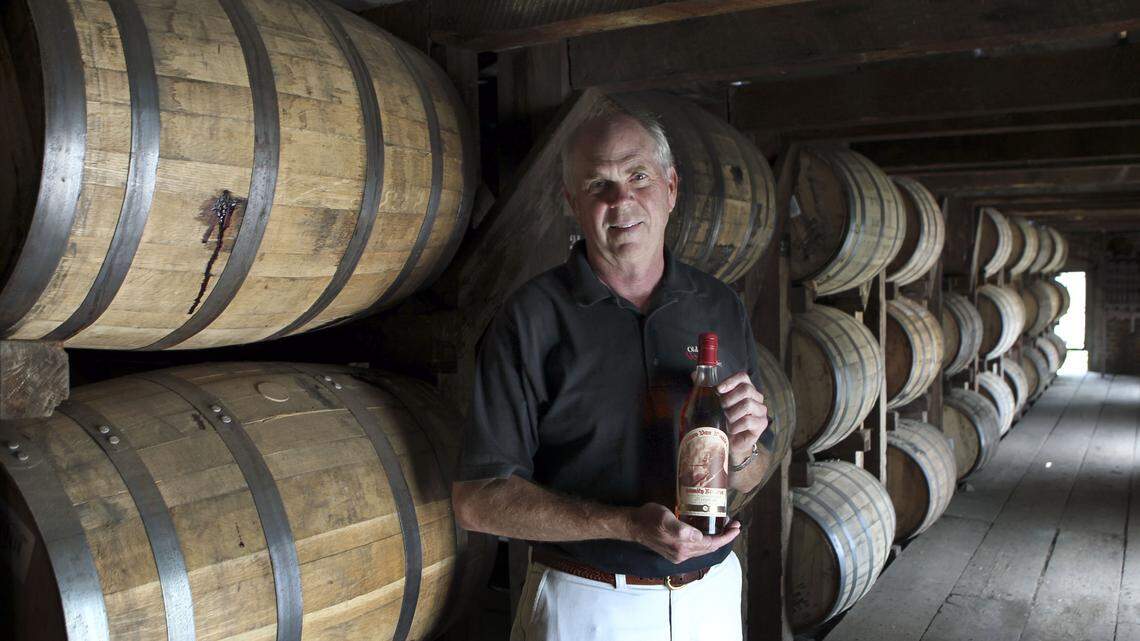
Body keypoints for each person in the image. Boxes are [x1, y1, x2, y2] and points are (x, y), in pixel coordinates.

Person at [452, 108, 773, 641]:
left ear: (671, 188)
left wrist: (740, 453)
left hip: (711, 601)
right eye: (597, 184)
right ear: (572, 202)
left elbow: (755, 467)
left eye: (638, 176)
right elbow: (477, 501)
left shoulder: (719, 304)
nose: (621, 200)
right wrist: (624, 525)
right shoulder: (530, 318)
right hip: (589, 603)